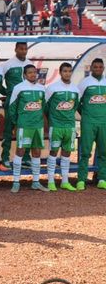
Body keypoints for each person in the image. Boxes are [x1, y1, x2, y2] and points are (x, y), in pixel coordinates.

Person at [8, 65, 49, 193]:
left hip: (38, 126)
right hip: (24, 126)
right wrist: (16, 124)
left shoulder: (42, 88)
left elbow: (44, 107)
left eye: (34, 72)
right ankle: (16, 182)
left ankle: (36, 182)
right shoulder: (19, 88)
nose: (33, 74)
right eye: (30, 72)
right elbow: (12, 108)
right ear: (24, 75)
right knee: (20, 152)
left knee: (36, 153)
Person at [45, 63, 80, 192]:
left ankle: (65, 181)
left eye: (69, 71)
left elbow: (74, 107)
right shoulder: (52, 88)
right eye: (65, 71)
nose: (67, 73)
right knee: (53, 153)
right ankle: (50, 181)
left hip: (70, 126)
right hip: (56, 126)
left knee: (66, 153)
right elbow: (45, 107)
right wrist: (50, 122)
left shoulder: (75, 90)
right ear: (60, 72)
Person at [0, 42, 32, 168]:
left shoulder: (30, 63)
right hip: (12, 102)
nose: (23, 51)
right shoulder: (8, 64)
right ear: (16, 49)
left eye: (25, 49)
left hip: (26, 103)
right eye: (21, 49)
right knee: (8, 130)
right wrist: (7, 93)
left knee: (26, 129)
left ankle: (26, 158)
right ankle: (5, 158)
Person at [77, 58, 106, 190]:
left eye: (100, 67)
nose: (98, 69)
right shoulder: (85, 82)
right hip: (88, 122)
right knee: (85, 152)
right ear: (91, 68)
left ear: (103, 68)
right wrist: (85, 114)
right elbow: (77, 102)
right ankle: (81, 180)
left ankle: (102, 179)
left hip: (104, 122)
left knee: (104, 152)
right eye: (95, 67)